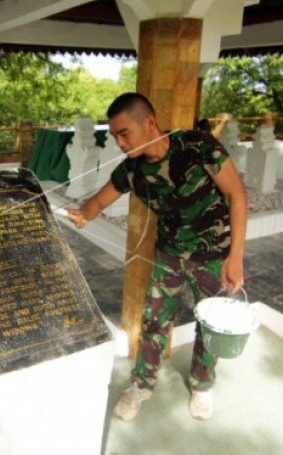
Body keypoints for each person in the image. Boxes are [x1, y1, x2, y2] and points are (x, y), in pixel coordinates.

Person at [66, 93, 247, 422]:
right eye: (115, 136)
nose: (120, 143)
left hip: (212, 255)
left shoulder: (198, 146)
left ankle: (202, 384)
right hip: (169, 255)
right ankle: (141, 384)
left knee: (210, 324)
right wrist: (82, 214)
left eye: (125, 133)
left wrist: (235, 256)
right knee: (153, 322)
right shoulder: (133, 170)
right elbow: (99, 201)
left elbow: (237, 194)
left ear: (149, 122)